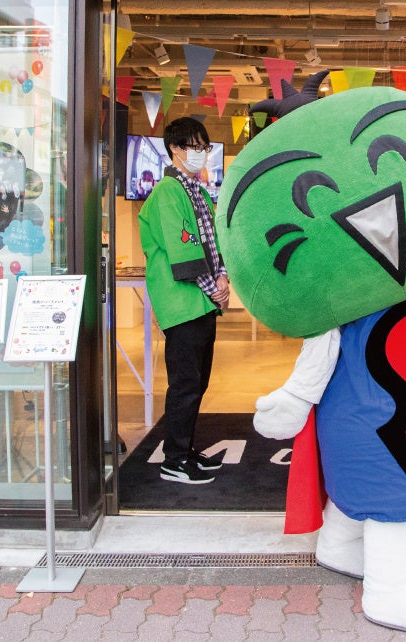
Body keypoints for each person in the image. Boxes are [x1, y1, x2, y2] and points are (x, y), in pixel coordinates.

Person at [138, 117, 230, 484]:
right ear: (175, 149)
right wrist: (215, 285)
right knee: (185, 383)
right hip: (183, 302)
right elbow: (184, 249)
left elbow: (213, 241)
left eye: (204, 147)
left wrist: (223, 277)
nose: (201, 153)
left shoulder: (198, 190)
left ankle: (184, 448)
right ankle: (173, 459)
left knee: (198, 381)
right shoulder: (167, 193)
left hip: (201, 301)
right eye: (195, 146)